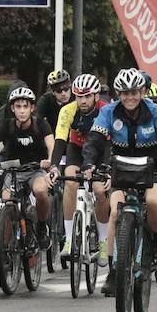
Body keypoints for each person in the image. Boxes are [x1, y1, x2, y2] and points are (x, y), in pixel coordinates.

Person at [84, 68, 157, 294]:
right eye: (124, 93)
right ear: (118, 93)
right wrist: (88, 162)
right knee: (115, 212)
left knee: (154, 202)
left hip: (154, 171)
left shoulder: (156, 112)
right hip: (123, 172)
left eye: (134, 92)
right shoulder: (109, 112)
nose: (129, 97)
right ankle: (113, 271)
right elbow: (95, 140)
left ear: (143, 92)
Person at [0, 86, 55, 253]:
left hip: (35, 170)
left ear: (32, 108)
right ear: (12, 108)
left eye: (26, 106)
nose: (22, 111)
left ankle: (40, 226)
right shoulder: (7, 125)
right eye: (18, 107)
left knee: (40, 191)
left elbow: (51, 145)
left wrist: (50, 163)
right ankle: (4, 252)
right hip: (13, 171)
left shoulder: (41, 124)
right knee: (7, 203)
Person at [52, 73, 109, 258]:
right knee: (70, 182)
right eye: (78, 96)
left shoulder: (106, 110)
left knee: (100, 191)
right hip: (76, 149)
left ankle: (103, 240)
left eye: (86, 96)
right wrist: (53, 166)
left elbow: (110, 144)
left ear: (96, 96)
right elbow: (60, 140)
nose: (82, 101)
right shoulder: (68, 110)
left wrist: (107, 170)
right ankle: (69, 239)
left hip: (101, 151)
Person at [40, 69, 73, 134]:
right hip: (52, 135)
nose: (63, 93)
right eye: (59, 90)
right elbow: (38, 119)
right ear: (53, 92)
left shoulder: (76, 98)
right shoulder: (46, 99)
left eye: (66, 89)